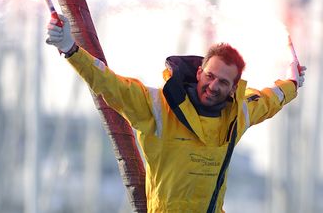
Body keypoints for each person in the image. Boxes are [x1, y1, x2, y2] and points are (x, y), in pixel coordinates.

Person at [45, 15, 306, 213]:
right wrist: (70, 48)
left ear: (233, 89)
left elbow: (272, 98)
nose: (213, 86)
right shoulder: (159, 106)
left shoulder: (238, 114)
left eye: (223, 83)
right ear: (199, 73)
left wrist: (292, 82)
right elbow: (110, 83)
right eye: (210, 76)